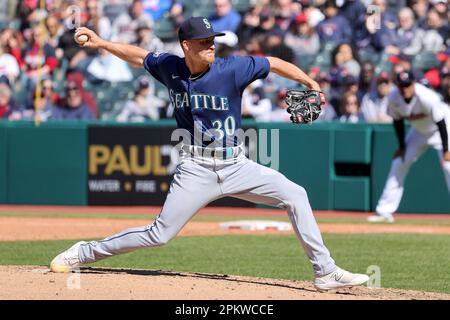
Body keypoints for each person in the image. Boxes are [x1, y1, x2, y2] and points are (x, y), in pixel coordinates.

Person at [50, 16, 369, 291]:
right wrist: (103, 43)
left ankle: (325, 271)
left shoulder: (233, 68)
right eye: (204, 42)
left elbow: (273, 63)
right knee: (160, 235)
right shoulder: (170, 67)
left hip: (236, 164)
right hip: (196, 168)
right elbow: (140, 57)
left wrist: (309, 80)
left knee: (296, 195)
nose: (211, 46)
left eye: (213, 40)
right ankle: (84, 253)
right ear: (186, 45)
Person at [368, 70, 450, 223]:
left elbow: (441, 123)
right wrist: (402, 146)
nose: (404, 88)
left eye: (407, 85)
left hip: (441, 129)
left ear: (413, 84)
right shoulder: (393, 97)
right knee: (399, 162)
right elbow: (397, 122)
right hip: (418, 131)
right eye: (401, 85)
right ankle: (384, 211)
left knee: (448, 166)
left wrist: (446, 150)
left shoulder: (427, 97)